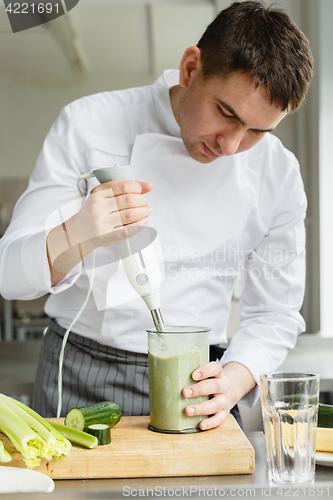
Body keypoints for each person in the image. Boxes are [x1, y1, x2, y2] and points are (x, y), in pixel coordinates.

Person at [0, 0, 313, 429]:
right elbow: (9, 277)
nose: (231, 146)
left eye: (257, 130)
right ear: (190, 69)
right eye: (226, 113)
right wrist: (78, 232)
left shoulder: (278, 172)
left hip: (199, 381)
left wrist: (235, 381)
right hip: (81, 372)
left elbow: (276, 312)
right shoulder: (87, 125)